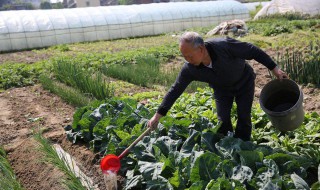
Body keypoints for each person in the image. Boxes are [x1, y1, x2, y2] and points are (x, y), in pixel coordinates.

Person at [147, 32, 288, 141]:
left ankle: (244, 145)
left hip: (244, 81)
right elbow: (175, 90)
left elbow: (252, 51)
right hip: (222, 89)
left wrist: (274, 69)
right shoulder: (190, 69)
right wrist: (157, 116)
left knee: (244, 116)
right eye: (184, 57)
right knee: (223, 120)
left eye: (189, 56)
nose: (187, 60)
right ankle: (228, 146)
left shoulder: (223, 45)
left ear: (201, 49)